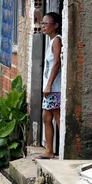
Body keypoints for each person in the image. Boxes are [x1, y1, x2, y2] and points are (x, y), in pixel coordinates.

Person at [36, 12, 62, 160]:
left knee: (57, 117)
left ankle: (64, 150)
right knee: (46, 117)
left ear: (56, 25)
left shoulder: (57, 40)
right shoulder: (51, 41)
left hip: (55, 88)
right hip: (50, 87)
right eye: (42, 23)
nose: (43, 26)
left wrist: (49, 85)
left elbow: (57, 63)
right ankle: (49, 150)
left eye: (46, 23)